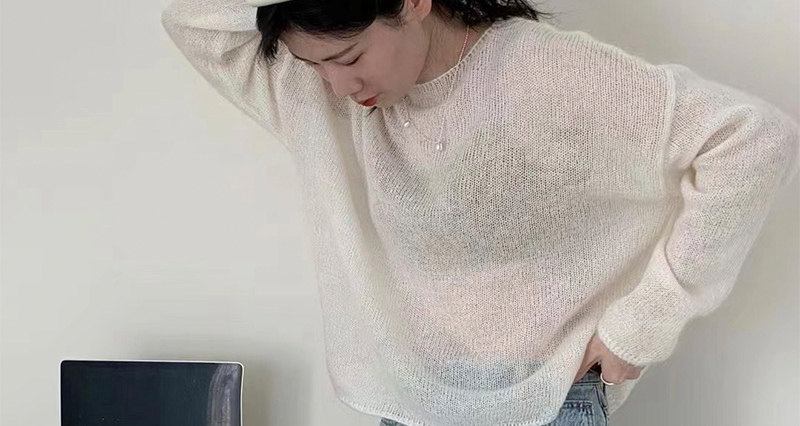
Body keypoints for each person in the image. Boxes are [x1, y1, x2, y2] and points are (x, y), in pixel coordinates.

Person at [160, 0, 799, 425]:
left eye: (350, 57)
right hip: (409, 406)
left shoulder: (547, 73)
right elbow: (192, 18)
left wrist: (644, 324)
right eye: (314, 65)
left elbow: (751, 140)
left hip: (544, 403)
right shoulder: (317, 93)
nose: (338, 86)